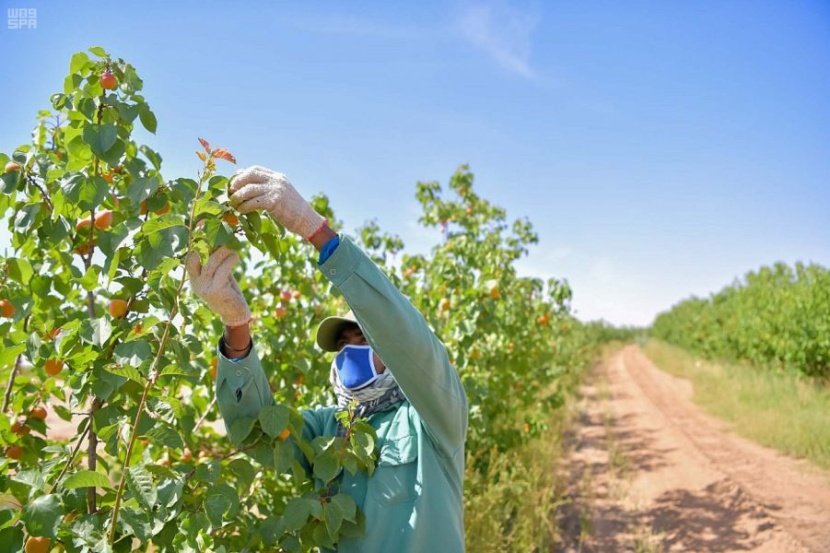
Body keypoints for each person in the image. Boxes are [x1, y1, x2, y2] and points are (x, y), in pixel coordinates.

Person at [186, 166, 469, 552]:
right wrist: (236, 324)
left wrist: (316, 232)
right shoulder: (326, 429)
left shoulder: (432, 417)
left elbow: (408, 337)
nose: (351, 349)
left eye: (364, 339)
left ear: (388, 348)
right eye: (342, 344)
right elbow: (257, 432)